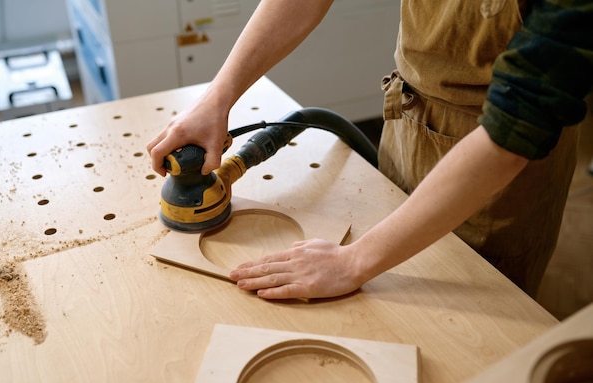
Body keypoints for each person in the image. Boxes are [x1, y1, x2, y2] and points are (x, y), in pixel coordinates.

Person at [147, 0, 593, 300]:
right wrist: (217, 98)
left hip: (497, 172)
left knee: (460, 315)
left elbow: (514, 129)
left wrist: (352, 262)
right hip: (411, 114)